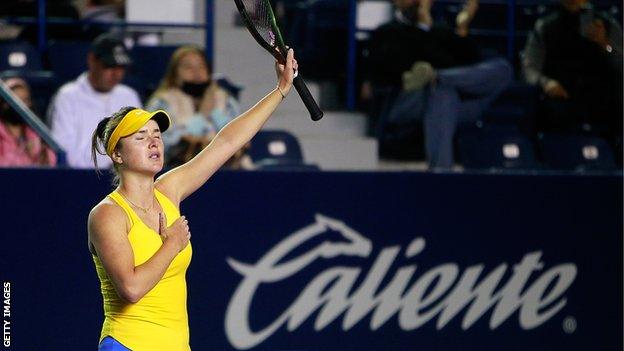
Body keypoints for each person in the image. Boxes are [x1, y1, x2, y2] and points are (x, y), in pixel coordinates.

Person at [88, 49, 297, 350]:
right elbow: (131, 289)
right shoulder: (107, 214)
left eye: (156, 134)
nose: (154, 141)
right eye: (140, 137)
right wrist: (172, 244)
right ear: (117, 154)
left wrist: (280, 90)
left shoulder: (169, 190)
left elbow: (225, 143)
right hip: (127, 344)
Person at [366, 0, 512, 169]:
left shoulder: (441, 31)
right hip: (404, 102)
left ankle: (439, 77)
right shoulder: (386, 32)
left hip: (455, 99)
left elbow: (470, 65)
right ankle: (441, 171)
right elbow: (395, 69)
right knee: (442, 92)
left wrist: (462, 29)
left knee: (503, 68)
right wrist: (423, 30)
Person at [522, 0, 623, 140]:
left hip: (602, 96)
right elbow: (529, 68)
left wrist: (605, 44)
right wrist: (547, 83)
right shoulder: (545, 25)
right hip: (562, 94)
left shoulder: (608, 24)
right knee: (549, 112)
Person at [146, 46, 251, 168]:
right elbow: (163, 146)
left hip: (225, 170)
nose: (196, 72)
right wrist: (202, 116)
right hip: (175, 170)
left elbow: (239, 137)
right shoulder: (161, 102)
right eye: (188, 67)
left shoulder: (224, 99)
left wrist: (215, 112)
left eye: (201, 67)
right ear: (174, 74)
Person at [48, 33, 142, 169]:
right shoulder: (68, 96)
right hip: (80, 177)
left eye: (121, 67)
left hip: (122, 179)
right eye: (110, 66)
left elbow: (138, 142)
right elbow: (63, 151)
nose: (116, 74)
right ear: (92, 61)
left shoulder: (128, 96)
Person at [0, 77, 57, 167]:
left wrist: (42, 158)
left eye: (25, 100)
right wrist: (23, 153)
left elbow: (52, 162)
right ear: (4, 104)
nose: (21, 107)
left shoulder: (37, 132)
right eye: (16, 101)